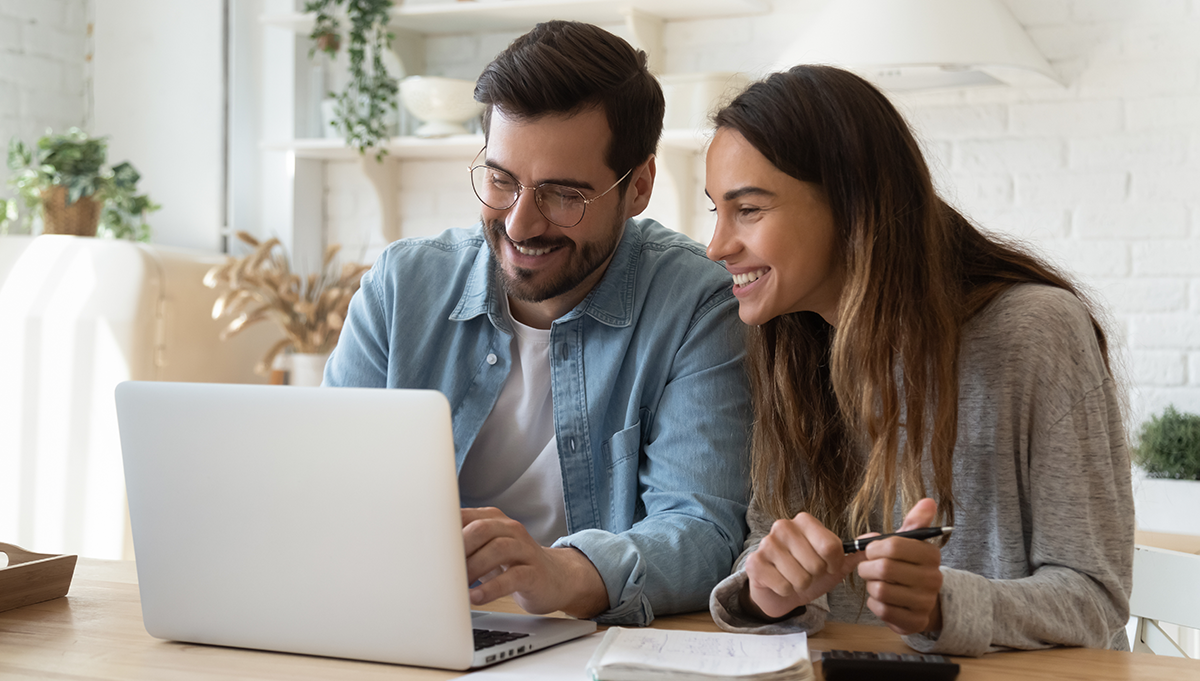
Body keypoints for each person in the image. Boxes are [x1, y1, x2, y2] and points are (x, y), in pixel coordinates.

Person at [324, 21, 751, 626]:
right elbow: (325, 488)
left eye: (563, 194)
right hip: (404, 624)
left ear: (639, 187)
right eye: (501, 180)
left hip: (587, 642)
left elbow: (703, 531)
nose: (521, 224)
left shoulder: (697, 307)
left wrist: (560, 573)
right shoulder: (400, 287)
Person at [704, 65, 1134, 656]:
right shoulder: (792, 347)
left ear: (852, 204)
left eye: (747, 210)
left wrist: (942, 606)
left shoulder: (1037, 332)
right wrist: (768, 591)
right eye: (716, 212)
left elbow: (1095, 599)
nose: (717, 246)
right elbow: (767, 545)